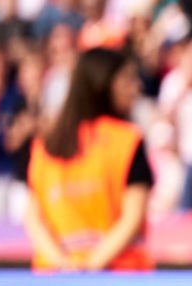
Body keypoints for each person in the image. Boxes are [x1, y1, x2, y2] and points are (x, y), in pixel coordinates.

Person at [23, 46, 153, 272]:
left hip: (54, 278)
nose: (136, 87)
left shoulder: (45, 145)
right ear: (103, 84)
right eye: (128, 80)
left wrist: (64, 264)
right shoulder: (127, 141)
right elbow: (133, 217)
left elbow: (34, 220)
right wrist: (91, 266)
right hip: (120, 275)